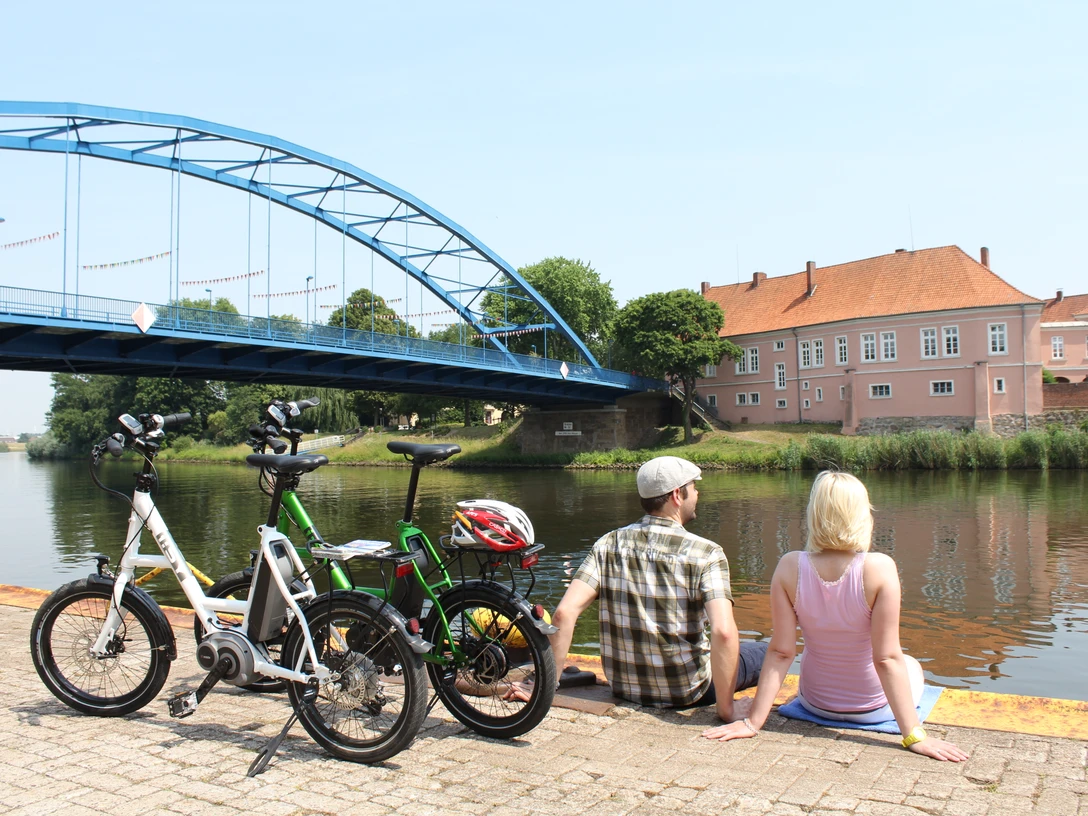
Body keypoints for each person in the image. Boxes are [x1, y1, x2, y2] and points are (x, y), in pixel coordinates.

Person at [702, 471, 968, 762]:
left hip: (815, 702)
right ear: (862, 515)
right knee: (911, 664)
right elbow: (886, 659)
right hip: (873, 708)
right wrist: (915, 736)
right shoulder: (880, 568)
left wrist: (753, 722)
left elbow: (780, 652)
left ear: (814, 515)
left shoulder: (789, 566)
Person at [546, 456, 767, 721]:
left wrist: (546, 690)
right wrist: (726, 710)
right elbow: (723, 632)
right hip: (689, 691)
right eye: (693, 487)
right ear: (677, 494)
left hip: (625, 687)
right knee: (767, 651)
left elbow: (563, 615)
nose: (697, 493)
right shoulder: (707, 553)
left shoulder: (607, 544)